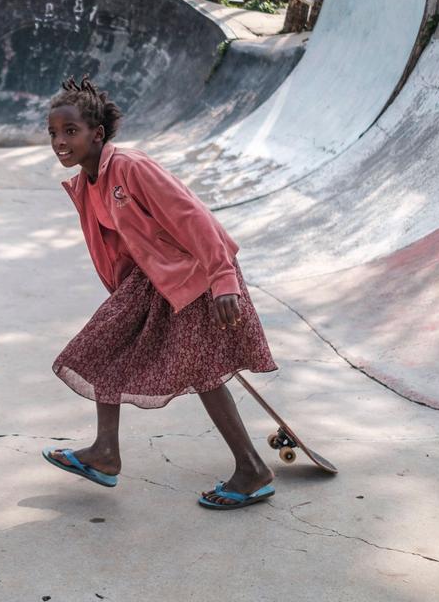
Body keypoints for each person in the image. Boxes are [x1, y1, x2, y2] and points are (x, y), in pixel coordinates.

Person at [41, 76, 280, 510]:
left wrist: (223, 279)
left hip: (197, 275)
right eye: (53, 132)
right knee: (103, 349)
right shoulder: (87, 183)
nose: (59, 141)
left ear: (97, 134)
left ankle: (252, 470)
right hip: (149, 285)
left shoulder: (130, 167)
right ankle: (105, 454)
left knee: (204, 371)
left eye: (70, 131)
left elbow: (194, 217)